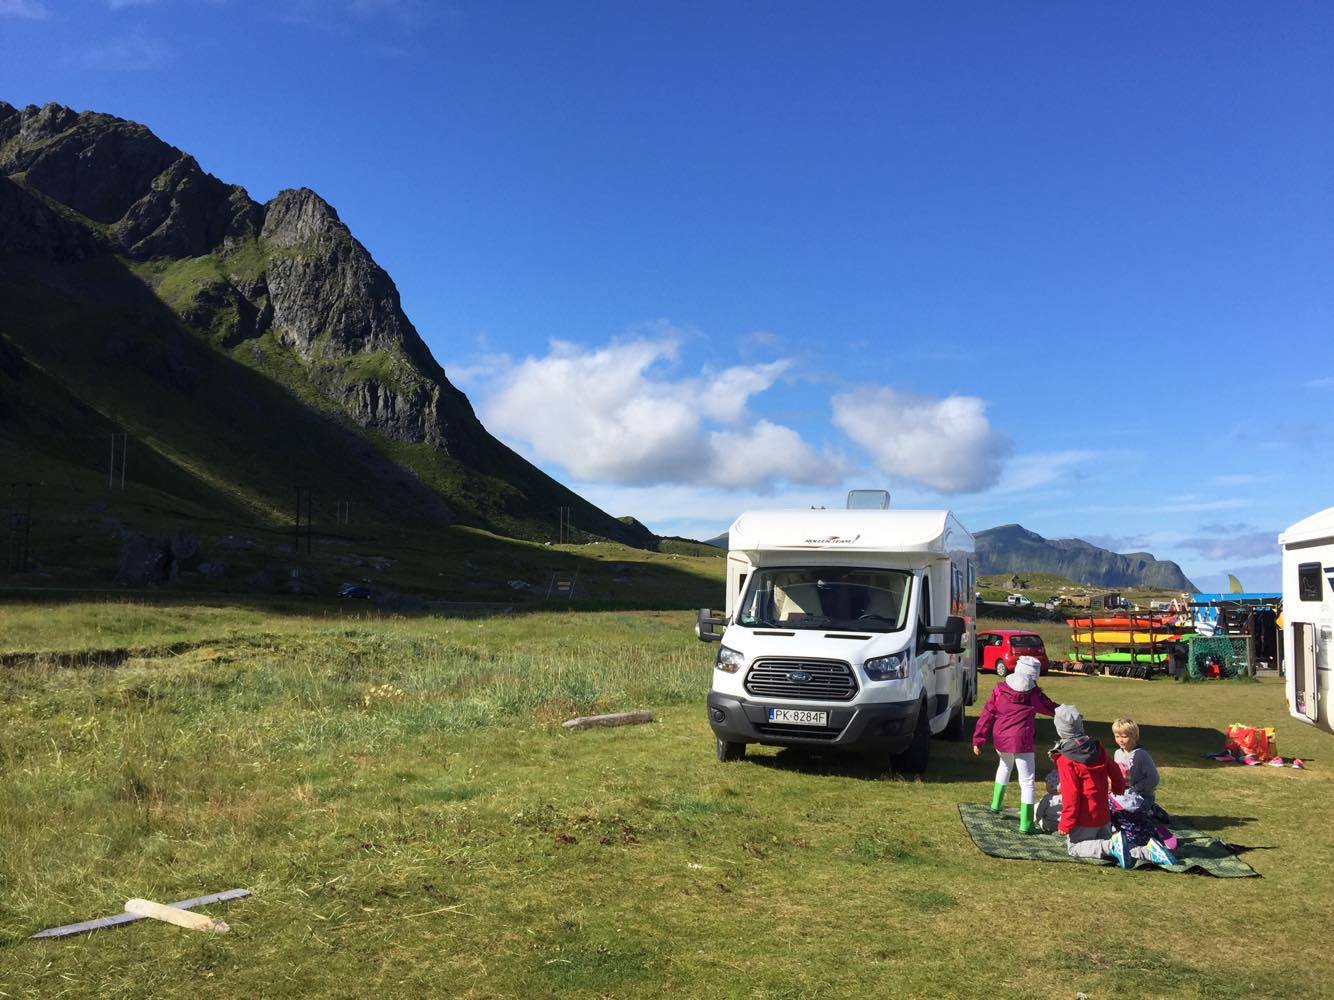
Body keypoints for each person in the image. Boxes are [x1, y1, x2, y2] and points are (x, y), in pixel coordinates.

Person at [1050, 705, 1177, 868]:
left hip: (1084, 818)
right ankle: (1146, 852)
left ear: (1060, 729)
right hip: (1103, 815)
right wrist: (1118, 788)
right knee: (1114, 845)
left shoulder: (1066, 759)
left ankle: (1112, 846)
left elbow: (1071, 794)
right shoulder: (1096, 748)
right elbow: (1115, 770)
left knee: (1075, 848)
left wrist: (1066, 822)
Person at [972, 656, 1059, 834]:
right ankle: (1026, 824)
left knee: (1004, 766)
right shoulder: (1033, 694)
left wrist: (978, 739)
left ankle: (996, 805)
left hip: (1001, 738)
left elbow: (986, 714)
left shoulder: (999, 689)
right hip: (1022, 740)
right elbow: (1050, 707)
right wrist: (1068, 713)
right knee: (1027, 781)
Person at [1111, 717, 1160, 810]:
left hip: (1143, 797)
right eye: (1117, 736)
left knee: (1124, 811)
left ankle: (1152, 811)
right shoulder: (1117, 753)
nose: (1120, 740)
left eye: (1124, 737)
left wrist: (1136, 788)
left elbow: (1154, 778)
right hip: (1124, 794)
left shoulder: (1141, 755)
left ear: (1134, 736)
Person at [1034, 769, 1062, 833]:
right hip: (1062, 825)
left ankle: (1038, 824)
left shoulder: (1047, 798)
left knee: (1037, 806)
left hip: (1048, 824)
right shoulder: (1066, 798)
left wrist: (1037, 819)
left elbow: (1040, 810)